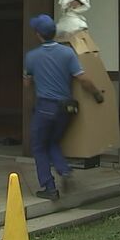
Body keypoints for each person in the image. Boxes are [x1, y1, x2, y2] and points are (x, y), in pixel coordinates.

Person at [24, 14, 104, 200]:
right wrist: (97, 94)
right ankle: (64, 170)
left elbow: (27, 83)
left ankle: (49, 187)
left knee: (39, 146)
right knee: (52, 141)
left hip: (44, 107)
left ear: (38, 34)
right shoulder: (68, 53)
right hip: (66, 109)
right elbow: (82, 78)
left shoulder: (32, 56)